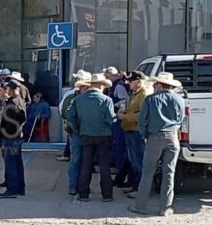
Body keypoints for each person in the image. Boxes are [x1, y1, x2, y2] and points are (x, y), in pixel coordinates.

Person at [129, 72, 185, 217]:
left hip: (155, 137)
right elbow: (181, 119)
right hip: (173, 137)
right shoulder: (179, 99)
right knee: (169, 173)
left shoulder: (150, 99)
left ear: (159, 85)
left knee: (148, 172)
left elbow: (142, 121)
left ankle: (140, 206)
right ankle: (166, 207)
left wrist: (145, 134)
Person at [68, 73, 115, 202]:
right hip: (103, 135)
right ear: (101, 85)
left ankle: (83, 194)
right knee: (104, 166)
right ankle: (107, 194)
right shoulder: (106, 100)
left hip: (86, 135)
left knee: (85, 165)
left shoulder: (79, 99)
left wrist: (78, 130)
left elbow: (70, 118)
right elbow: (111, 119)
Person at [119, 71, 152, 199]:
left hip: (137, 132)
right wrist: (124, 111)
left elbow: (143, 115)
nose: (128, 83)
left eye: (130, 81)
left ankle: (140, 189)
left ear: (138, 81)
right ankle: (134, 185)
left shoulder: (143, 94)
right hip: (130, 130)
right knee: (133, 161)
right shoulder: (135, 93)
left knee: (138, 161)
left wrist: (125, 116)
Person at [61, 70, 91, 195]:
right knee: (76, 159)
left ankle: (82, 185)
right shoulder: (72, 97)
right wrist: (75, 128)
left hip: (86, 133)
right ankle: (73, 185)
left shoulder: (87, 97)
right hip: (77, 133)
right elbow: (65, 113)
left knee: (85, 160)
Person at [0, 81, 27, 198]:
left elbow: (9, 121)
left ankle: (12, 189)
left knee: (11, 164)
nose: (6, 91)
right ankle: (20, 187)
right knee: (17, 163)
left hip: (10, 136)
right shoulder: (20, 101)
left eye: (7, 88)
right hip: (17, 136)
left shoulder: (12, 103)